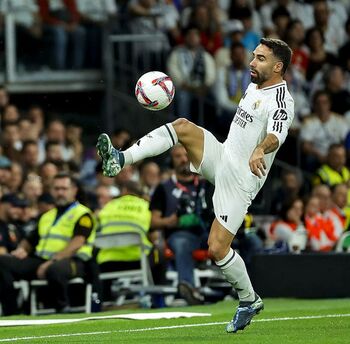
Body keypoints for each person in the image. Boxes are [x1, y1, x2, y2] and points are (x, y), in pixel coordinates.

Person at [96, 38, 294, 333]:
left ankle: (249, 300)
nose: (252, 63)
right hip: (223, 156)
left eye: (260, 59)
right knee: (183, 126)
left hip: (241, 181)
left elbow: (277, 133)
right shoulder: (254, 85)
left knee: (216, 249)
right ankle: (120, 158)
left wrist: (259, 149)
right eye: (254, 57)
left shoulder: (281, 100)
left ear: (278, 67)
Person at [0, 172, 96, 315]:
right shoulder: (47, 216)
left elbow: (78, 242)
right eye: (56, 189)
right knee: (2, 261)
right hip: (42, 260)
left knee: (54, 270)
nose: (60, 193)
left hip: (73, 261)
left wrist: (52, 261)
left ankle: (62, 308)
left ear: (74, 190)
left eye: (64, 189)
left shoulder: (83, 214)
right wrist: (21, 250)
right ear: (51, 190)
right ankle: (12, 311)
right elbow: (30, 240)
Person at [149, 144, 213, 305]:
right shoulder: (163, 188)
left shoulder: (207, 184)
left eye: (186, 154)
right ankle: (188, 288)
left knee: (243, 239)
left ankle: (239, 288)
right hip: (180, 234)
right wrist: (169, 221)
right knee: (182, 242)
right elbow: (153, 221)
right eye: (178, 156)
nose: (184, 159)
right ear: (172, 160)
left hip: (209, 231)